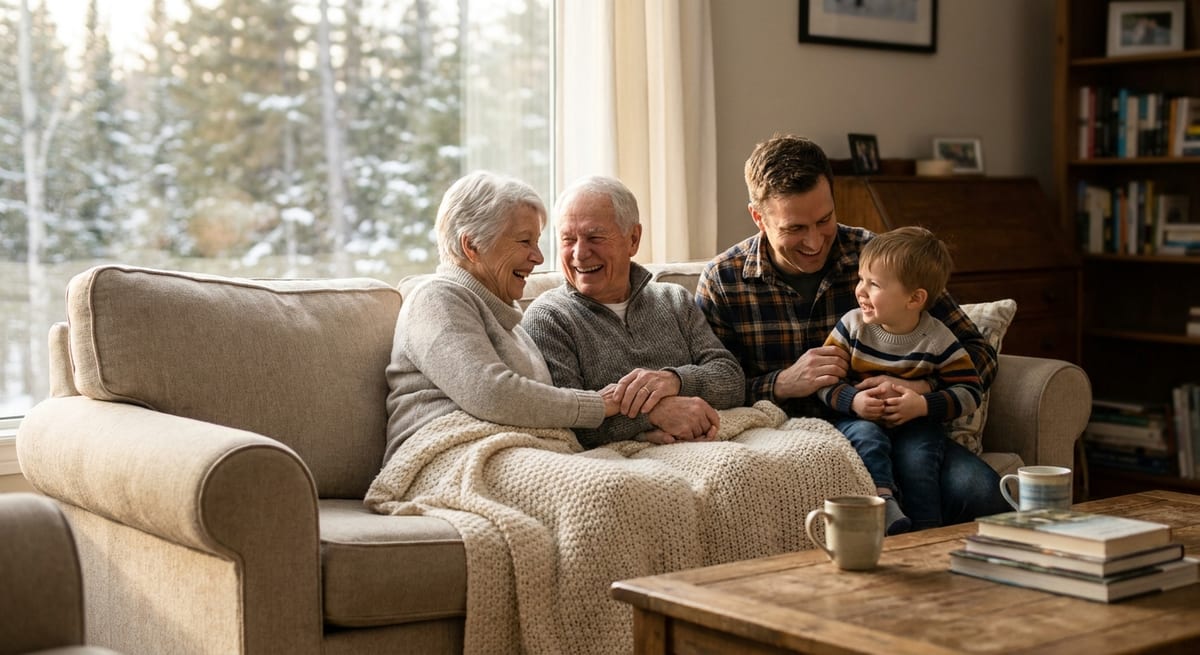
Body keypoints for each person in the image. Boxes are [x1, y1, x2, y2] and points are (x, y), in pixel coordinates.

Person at [695, 134, 1009, 528]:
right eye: (795, 228)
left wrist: (921, 390)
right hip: (794, 439)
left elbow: (977, 354)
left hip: (903, 430)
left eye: (824, 220)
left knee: (985, 496)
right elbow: (711, 386)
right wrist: (782, 383)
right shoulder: (725, 280)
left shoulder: (878, 257)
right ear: (759, 217)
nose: (814, 242)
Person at [382, 170, 625, 466]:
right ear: (471, 246)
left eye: (536, 242)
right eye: (525, 241)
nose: (538, 257)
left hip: (508, 451)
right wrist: (600, 404)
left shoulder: (510, 323)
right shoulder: (436, 298)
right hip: (444, 455)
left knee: (648, 481)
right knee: (610, 488)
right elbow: (490, 393)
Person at [521, 175, 745, 448]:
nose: (579, 253)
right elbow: (567, 420)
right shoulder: (548, 318)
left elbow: (732, 380)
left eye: (595, 237)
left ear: (633, 239)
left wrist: (675, 380)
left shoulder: (674, 299)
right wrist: (654, 415)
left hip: (709, 443)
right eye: (568, 239)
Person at [816, 226, 985, 534]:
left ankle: (925, 533)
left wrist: (922, 405)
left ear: (914, 298)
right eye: (861, 279)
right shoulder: (852, 327)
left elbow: (970, 390)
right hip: (859, 418)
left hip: (916, 425)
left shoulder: (937, 339)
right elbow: (824, 381)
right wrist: (853, 400)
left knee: (919, 460)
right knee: (867, 437)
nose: (860, 291)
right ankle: (885, 503)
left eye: (874, 284)